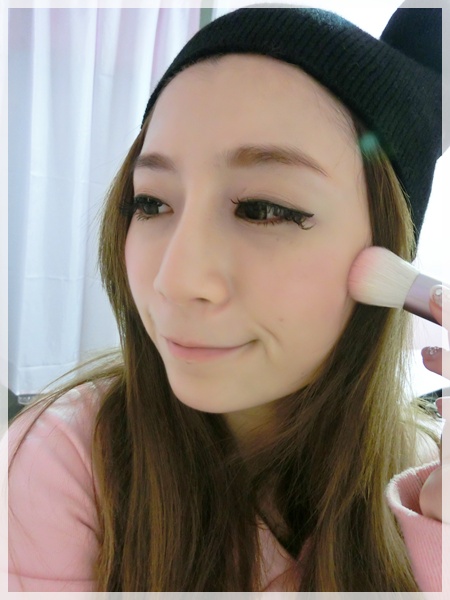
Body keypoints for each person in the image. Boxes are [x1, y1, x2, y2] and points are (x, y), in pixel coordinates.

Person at [6, 3, 448, 592]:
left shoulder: (423, 478)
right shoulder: (64, 460)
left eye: (263, 209)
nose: (174, 280)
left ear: (388, 253)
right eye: (152, 203)